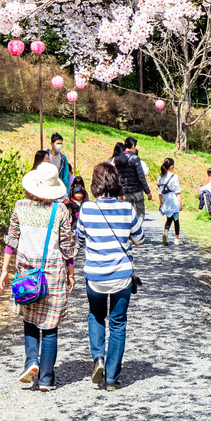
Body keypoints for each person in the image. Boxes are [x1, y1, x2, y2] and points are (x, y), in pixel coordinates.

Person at [0, 160, 80, 391]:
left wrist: (5, 269)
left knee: (30, 320)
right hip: (52, 274)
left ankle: (31, 360)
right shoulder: (61, 210)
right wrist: (71, 273)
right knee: (50, 327)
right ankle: (46, 379)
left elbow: (11, 240)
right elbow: (66, 247)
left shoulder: (20, 206)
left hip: (26, 274)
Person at [79, 161, 138, 390]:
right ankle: (112, 377)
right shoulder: (127, 208)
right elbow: (140, 239)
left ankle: (98, 359)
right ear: (116, 182)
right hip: (122, 275)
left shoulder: (86, 208)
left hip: (95, 275)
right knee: (118, 322)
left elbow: (81, 239)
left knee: (96, 315)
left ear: (95, 184)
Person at [114, 140, 151, 230]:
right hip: (136, 190)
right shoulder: (135, 158)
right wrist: (148, 191)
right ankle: (136, 231)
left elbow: (118, 177)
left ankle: (129, 232)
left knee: (128, 213)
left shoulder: (117, 159)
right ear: (133, 146)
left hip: (125, 191)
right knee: (140, 212)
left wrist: (120, 192)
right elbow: (141, 176)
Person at [156, 157, 182, 245]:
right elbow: (178, 192)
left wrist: (161, 203)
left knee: (168, 219)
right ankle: (177, 239)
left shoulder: (160, 177)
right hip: (173, 199)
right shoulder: (175, 177)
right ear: (171, 167)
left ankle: (165, 233)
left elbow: (160, 192)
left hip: (166, 200)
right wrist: (180, 204)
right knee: (176, 220)